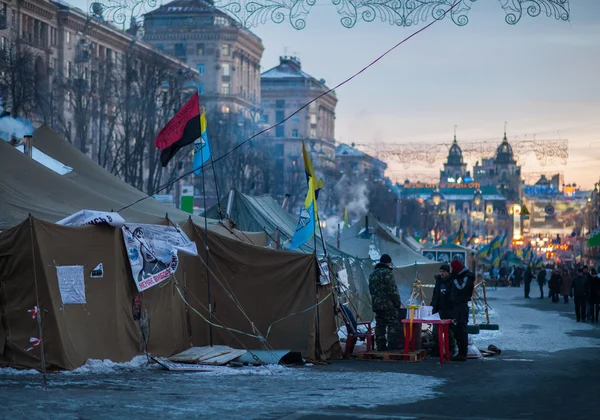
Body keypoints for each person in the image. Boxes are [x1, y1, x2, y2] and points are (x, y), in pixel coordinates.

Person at [369, 254, 402, 351]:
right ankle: (392, 347)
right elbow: (392, 290)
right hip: (388, 305)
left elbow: (371, 290)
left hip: (376, 305)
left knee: (380, 325)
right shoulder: (387, 273)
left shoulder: (373, 274)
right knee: (392, 324)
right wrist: (397, 303)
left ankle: (381, 347)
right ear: (388, 263)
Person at [448, 258, 475, 362]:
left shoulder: (467, 276)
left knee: (461, 329)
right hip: (456, 305)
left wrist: (453, 279)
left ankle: (462, 353)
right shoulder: (460, 275)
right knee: (457, 329)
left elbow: (461, 288)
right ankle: (460, 351)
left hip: (461, 306)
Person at [430, 263, 456, 356]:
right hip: (438, 310)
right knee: (436, 332)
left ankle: (451, 349)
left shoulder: (452, 282)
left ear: (448, 272)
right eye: (440, 271)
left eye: (443, 271)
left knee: (449, 332)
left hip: (449, 310)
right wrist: (432, 307)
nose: (441, 273)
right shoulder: (438, 282)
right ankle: (436, 349)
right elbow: (435, 295)